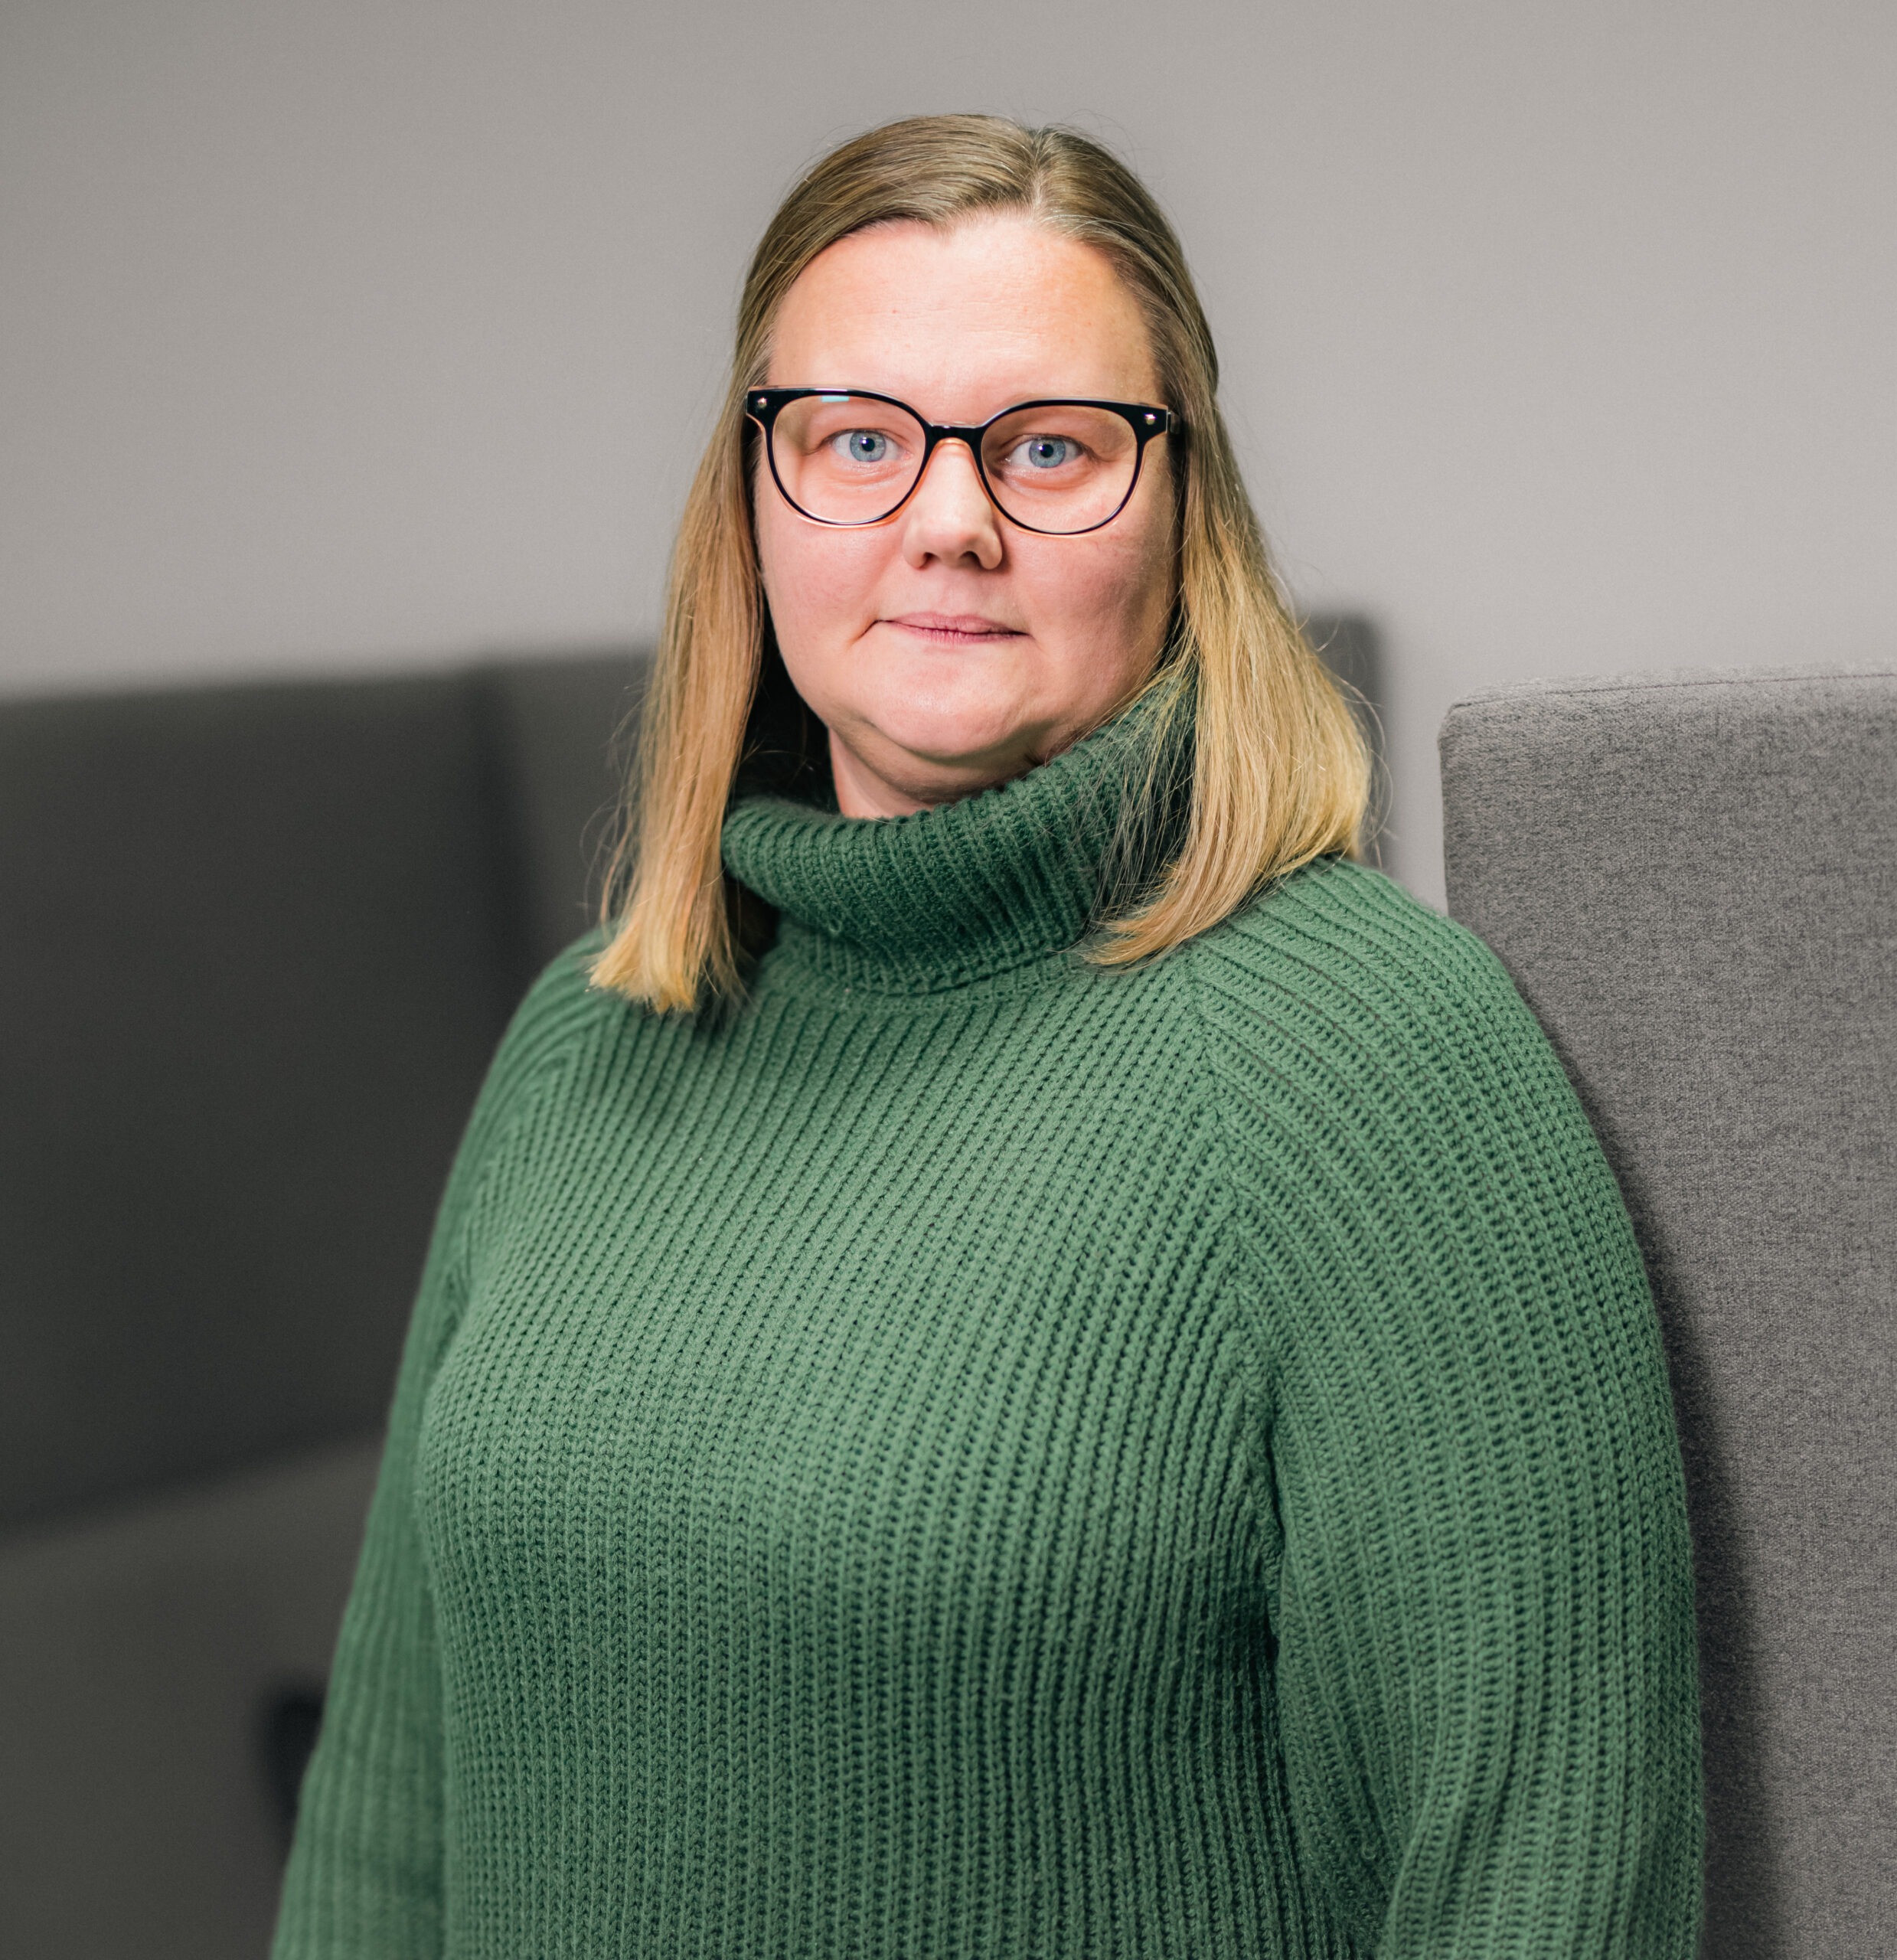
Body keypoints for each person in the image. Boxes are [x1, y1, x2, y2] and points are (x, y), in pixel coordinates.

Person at [272, 114, 1703, 1958]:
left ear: (1182, 513)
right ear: (751, 505)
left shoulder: (1372, 1062)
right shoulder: (584, 1039)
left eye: (1047, 447)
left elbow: (1543, 1881)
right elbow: (386, 1828)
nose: (949, 517)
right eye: (857, 440)